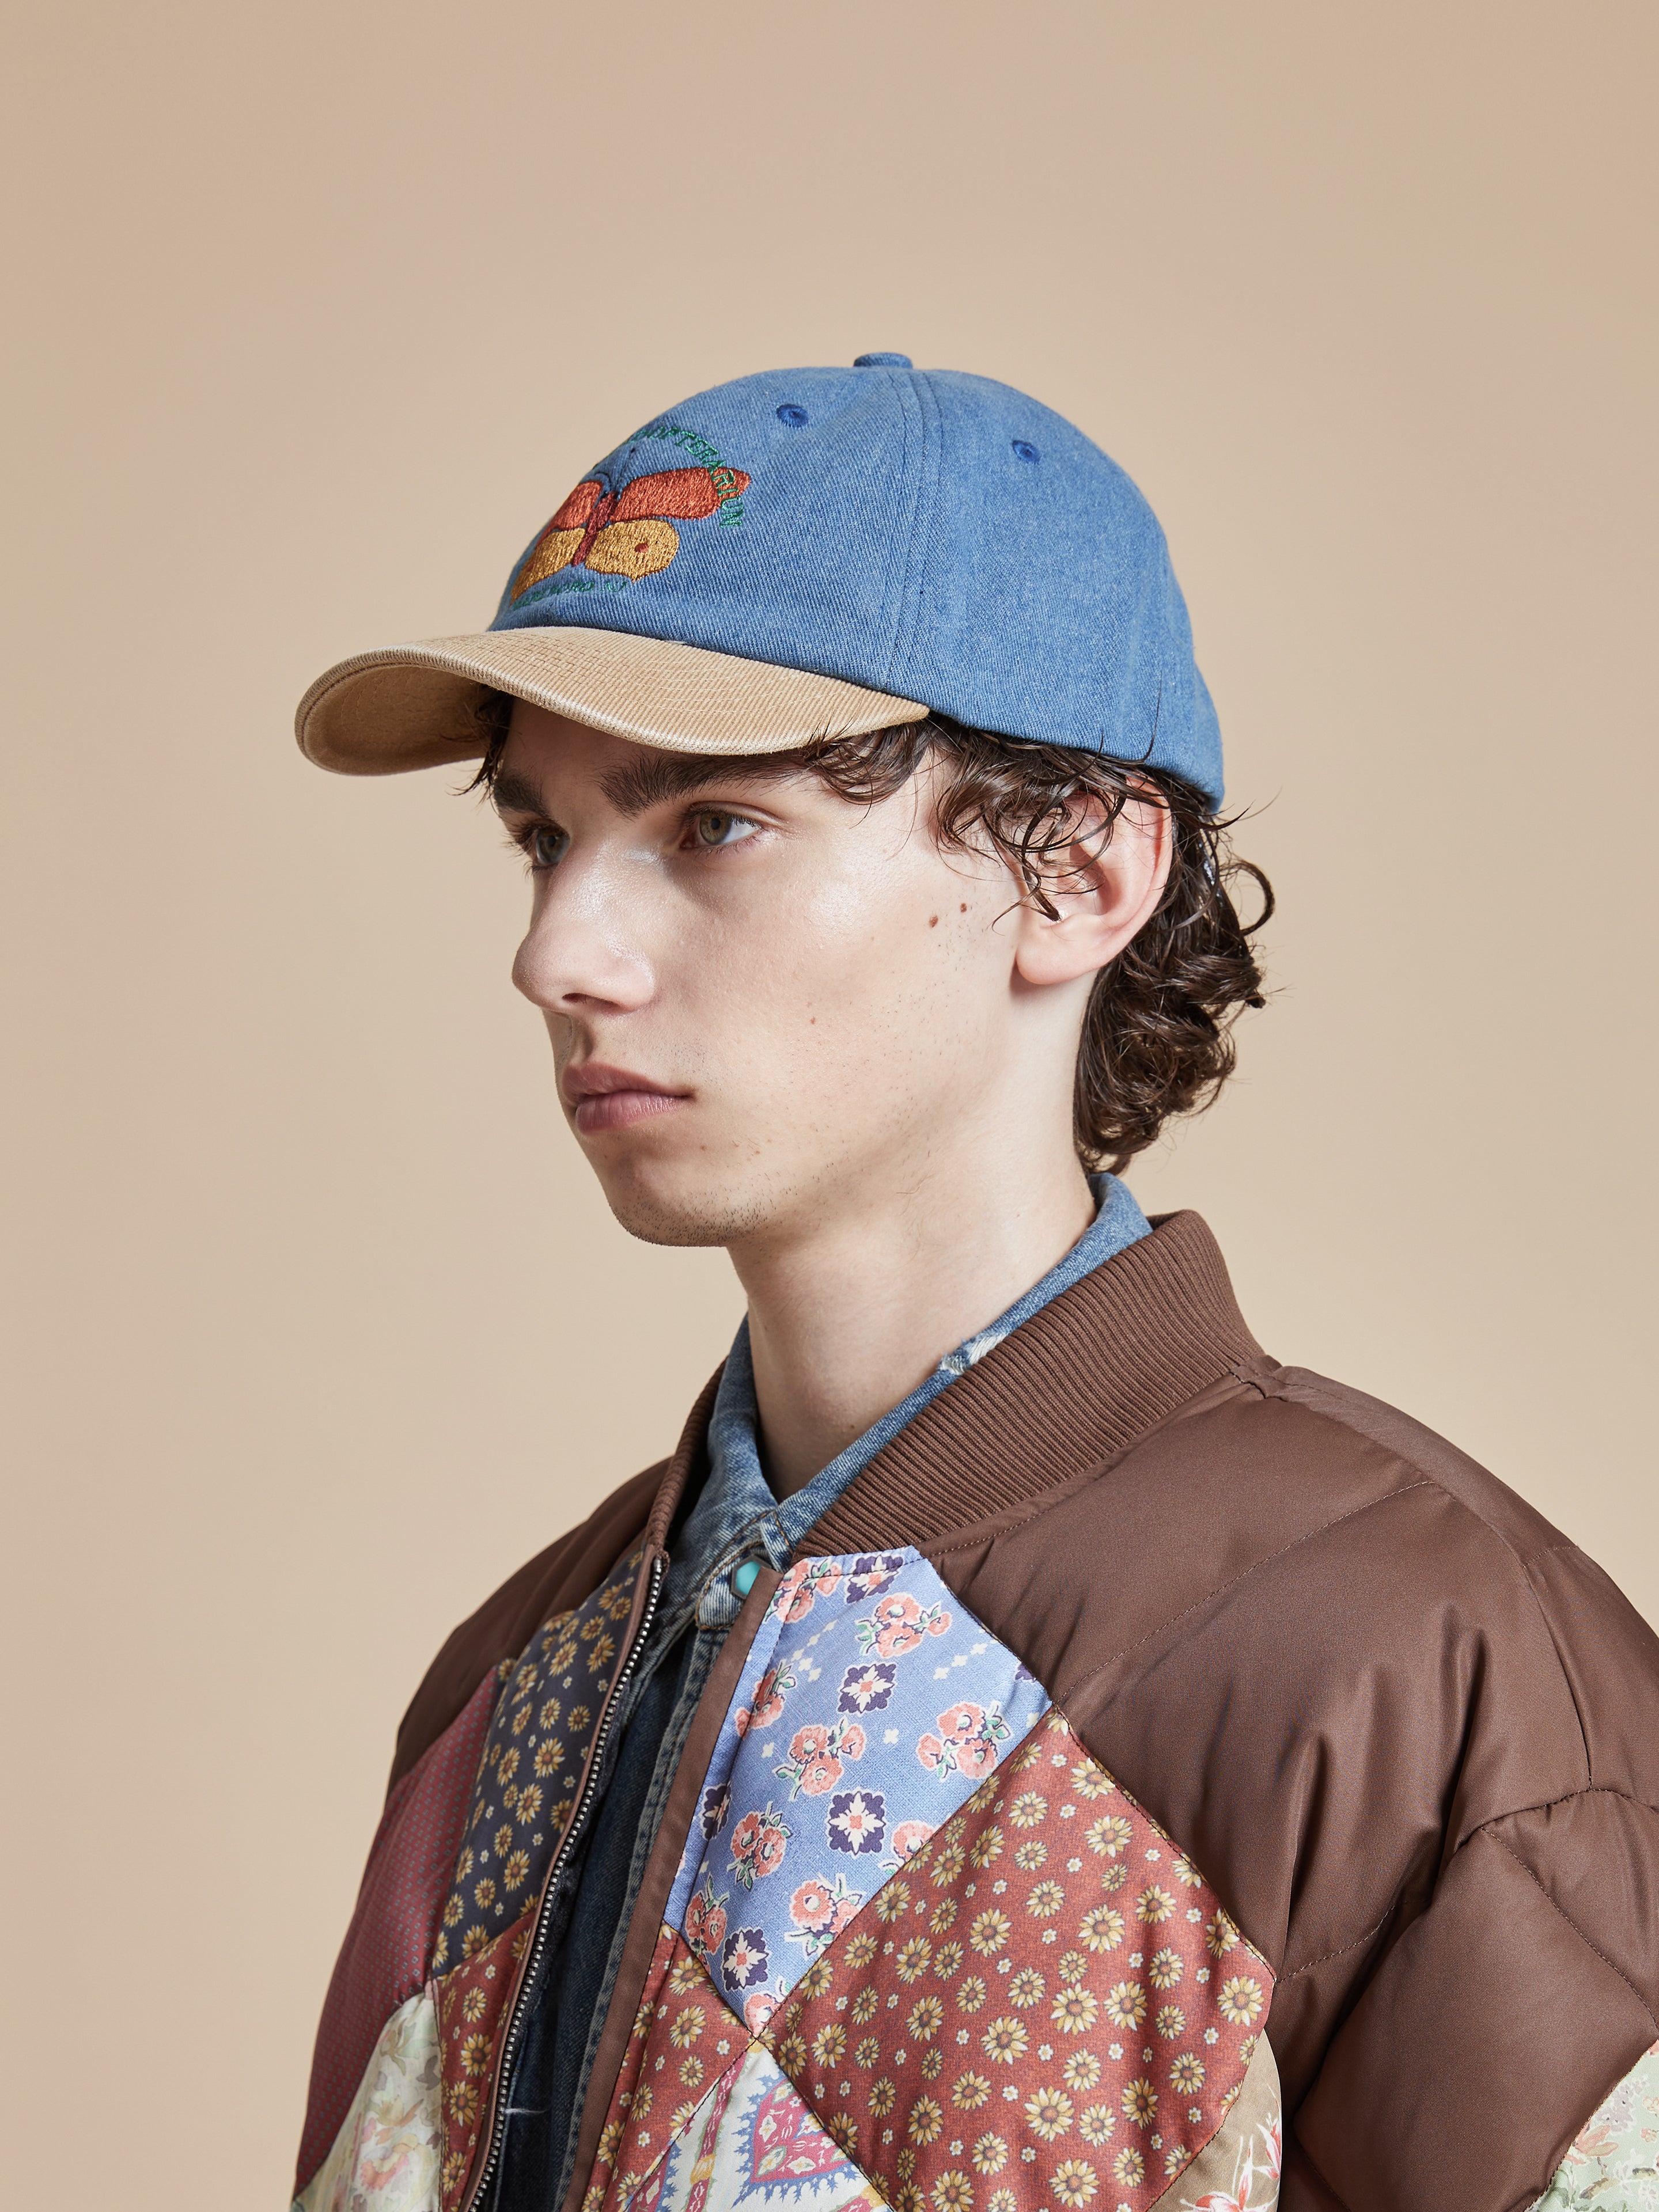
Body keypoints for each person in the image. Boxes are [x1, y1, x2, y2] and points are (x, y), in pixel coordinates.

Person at [289, 357, 1659, 2212]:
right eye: (544, 836)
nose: (556, 951)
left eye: (711, 824)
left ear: (1081, 867)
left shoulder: (1422, 1672)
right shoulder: (512, 1685)